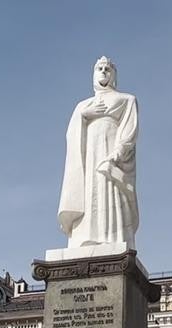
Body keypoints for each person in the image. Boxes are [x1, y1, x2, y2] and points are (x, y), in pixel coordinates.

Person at [57, 56, 140, 251]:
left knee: (109, 190)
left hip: (111, 155)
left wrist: (117, 154)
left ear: (114, 75)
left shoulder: (126, 100)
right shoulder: (82, 106)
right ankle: (85, 237)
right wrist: (84, 116)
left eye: (107, 69)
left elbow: (130, 130)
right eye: (99, 68)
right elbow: (71, 134)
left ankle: (112, 238)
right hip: (88, 157)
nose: (103, 72)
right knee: (89, 192)